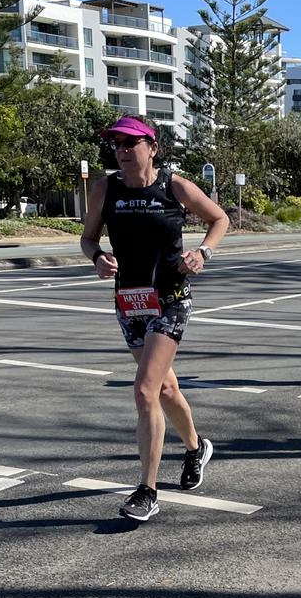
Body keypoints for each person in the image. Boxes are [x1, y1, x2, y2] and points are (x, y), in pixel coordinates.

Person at [81, 116, 229, 522]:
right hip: (129, 300)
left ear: (152, 147)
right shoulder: (104, 189)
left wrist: (203, 253)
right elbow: (88, 237)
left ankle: (147, 490)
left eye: (131, 143)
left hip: (171, 298)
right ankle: (197, 446)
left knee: (145, 390)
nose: (122, 151)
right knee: (163, 387)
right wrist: (97, 257)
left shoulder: (174, 185)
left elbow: (220, 219)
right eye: (117, 144)